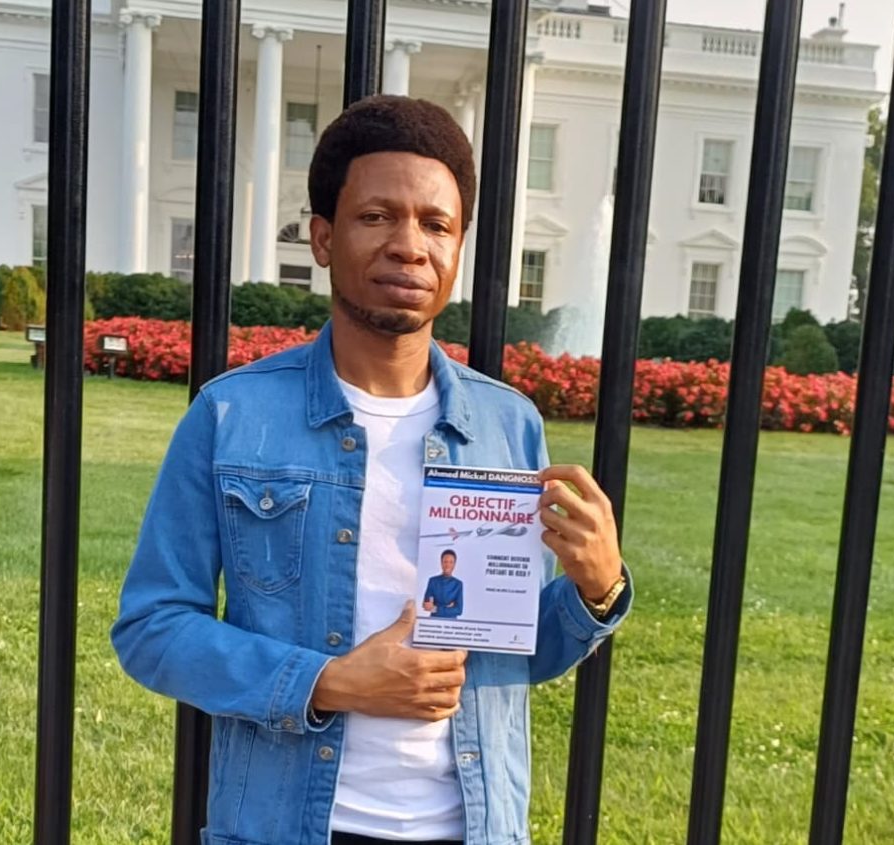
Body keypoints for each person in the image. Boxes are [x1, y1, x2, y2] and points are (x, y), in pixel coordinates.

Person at [110, 95, 632, 845]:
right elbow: (153, 627)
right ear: (323, 237)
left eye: (436, 224)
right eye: (377, 216)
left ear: (458, 246)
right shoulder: (232, 415)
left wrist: (596, 588)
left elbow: (510, 652)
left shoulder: (506, 424)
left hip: (473, 827)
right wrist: (329, 682)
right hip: (288, 829)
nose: (409, 246)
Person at [423, 549, 463, 618]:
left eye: (451, 562)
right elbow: (427, 605)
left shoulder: (458, 584)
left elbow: (459, 610)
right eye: (445, 562)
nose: (448, 565)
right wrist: (449, 608)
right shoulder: (433, 581)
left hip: (451, 622)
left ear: (454, 564)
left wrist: (436, 608)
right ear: (441, 563)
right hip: (434, 621)